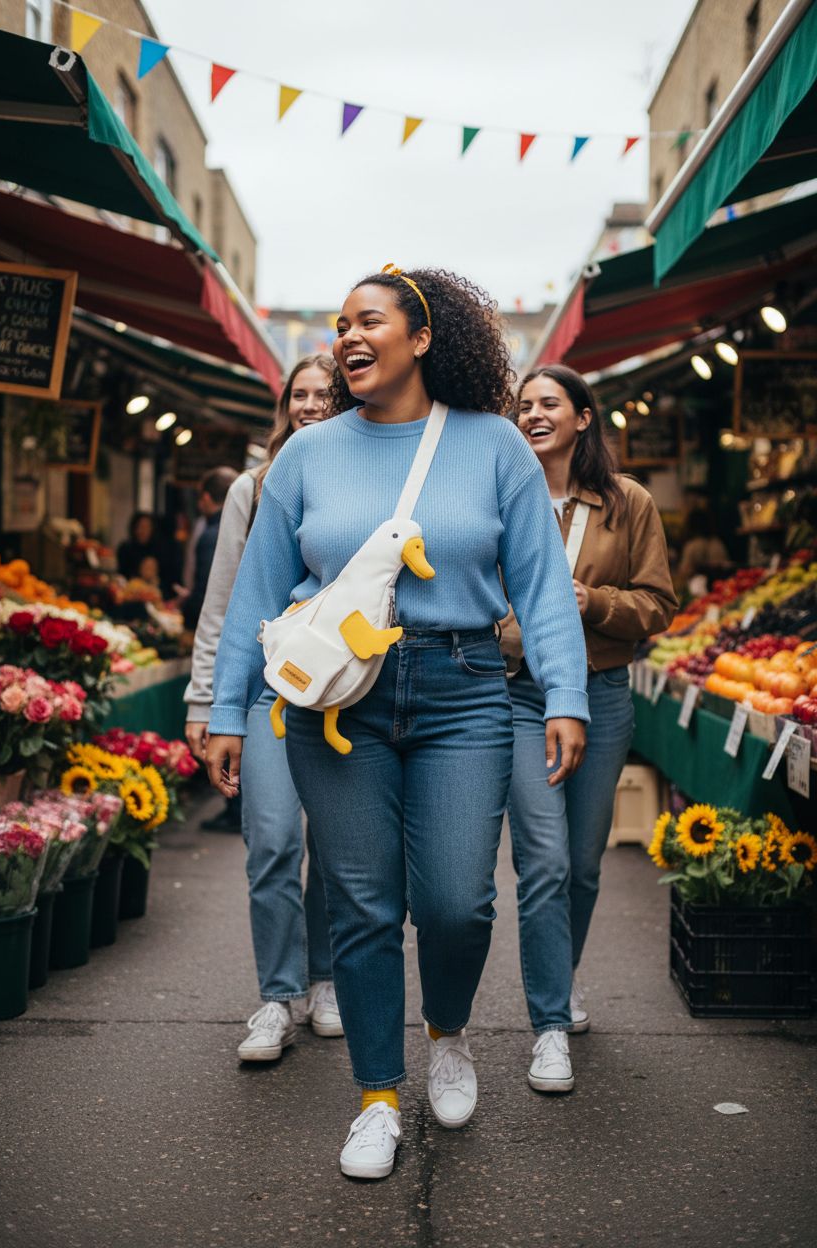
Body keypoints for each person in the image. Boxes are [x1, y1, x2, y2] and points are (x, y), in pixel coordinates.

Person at [206, 267, 589, 1181]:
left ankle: (448, 1033)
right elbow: (257, 596)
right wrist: (225, 710)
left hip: (463, 687)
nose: (347, 336)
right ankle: (378, 1096)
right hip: (336, 703)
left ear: (421, 337)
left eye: (366, 320)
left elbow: (540, 589)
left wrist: (566, 695)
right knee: (364, 905)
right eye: (339, 324)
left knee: (459, 901)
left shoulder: (495, 445)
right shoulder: (304, 455)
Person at [502, 364, 677, 1096]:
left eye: (549, 404)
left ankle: (561, 977)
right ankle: (548, 1025)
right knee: (540, 862)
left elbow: (659, 603)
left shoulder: (625, 502)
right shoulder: (503, 494)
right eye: (524, 406)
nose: (534, 414)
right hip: (516, 697)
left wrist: (593, 602)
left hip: (602, 696)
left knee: (581, 863)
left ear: (583, 417)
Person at [184, 355, 343, 1048]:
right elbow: (221, 604)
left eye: (323, 393)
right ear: (285, 405)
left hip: (342, 691)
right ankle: (278, 995)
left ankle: (327, 977)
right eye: (299, 395)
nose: (310, 404)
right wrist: (203, 700)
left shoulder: (361, 482)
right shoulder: (253, 488)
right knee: (272, 841)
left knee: (336, 848)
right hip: (264, 692)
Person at [182, 467, 239, 633]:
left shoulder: (212, 535)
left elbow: (206, 589)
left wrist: (188, 615)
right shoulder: (243, 528)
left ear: (206, 498)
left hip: (214, 627)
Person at [677, 507, 731, 590]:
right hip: (720, 589)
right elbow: (726, 566)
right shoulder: (717, 543)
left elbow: (684, 573)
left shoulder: (691, 546)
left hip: (697, 593)